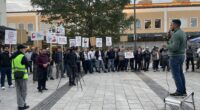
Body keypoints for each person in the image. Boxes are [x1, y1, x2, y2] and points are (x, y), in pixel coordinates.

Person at [167, 19, 187, 96]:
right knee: (180, 74)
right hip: (181, 55)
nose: (170, 26)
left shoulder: (176, 34)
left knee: (176, 74)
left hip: (175, 56)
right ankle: (183, 90)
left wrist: (167, 45)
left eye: (171, 24)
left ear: (175, 25)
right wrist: (170, 38)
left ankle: (179, 91)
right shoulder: (182, 33)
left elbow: (174, 48)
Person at [11, 44, 30, 110]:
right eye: (24, 49)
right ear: (21, 49)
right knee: (24, 91)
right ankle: (22, 105)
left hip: (16, 75)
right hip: (22, 76)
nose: (25, 50)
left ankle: (21, 104)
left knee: (18, 91)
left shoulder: (13, 56)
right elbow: (28, 65)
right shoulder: (22, 56)